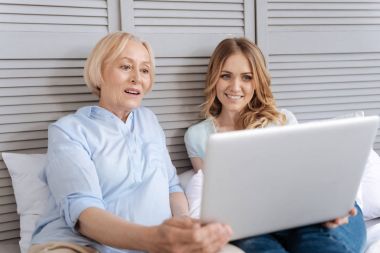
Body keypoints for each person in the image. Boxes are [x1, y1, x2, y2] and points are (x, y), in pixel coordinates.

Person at [28, 32, 232, 253]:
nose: (137, 78)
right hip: (79, 245)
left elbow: (172, 187)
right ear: (99, 72)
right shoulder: (69, 130)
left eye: (144, 70)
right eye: (126, 67)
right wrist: (155, 240)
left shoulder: (149, 121)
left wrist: (183, 223)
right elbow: (83, 213)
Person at [184, 37, 367, 253]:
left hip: (308, 213)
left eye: (247, 77)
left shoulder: (282, 120)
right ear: (214, 78)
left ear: (257, 81)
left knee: (321, 246)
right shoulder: (197, 136)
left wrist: (331, 207)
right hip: (254, 226)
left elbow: (309, 176)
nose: (235, 87)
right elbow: (217, 200)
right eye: (226, 76)